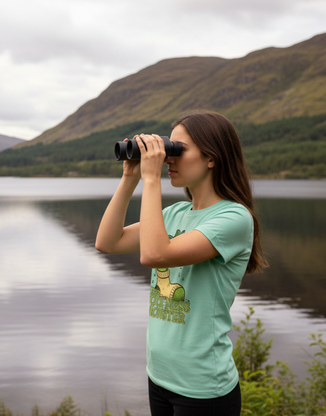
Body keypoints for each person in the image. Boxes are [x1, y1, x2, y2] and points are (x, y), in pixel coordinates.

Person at [95, 110, 268, 416]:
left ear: (211, 158)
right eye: (167, 149)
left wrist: (151, 180)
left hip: (203, 387)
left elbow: (153, 255)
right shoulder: (176, 214)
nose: (167, 159)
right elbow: (107, 242)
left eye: (177, 150)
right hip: (160, 377)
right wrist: (129, 178)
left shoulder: (233, 218)